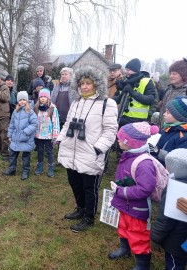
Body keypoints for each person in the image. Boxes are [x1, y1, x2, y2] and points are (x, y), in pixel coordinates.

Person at [57, 65, 118, 232]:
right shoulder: (76, 102)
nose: (84, 87)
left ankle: (89, 217)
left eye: (88, 83)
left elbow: (110, 130)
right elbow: (68, 124)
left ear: (96, 84)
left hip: (91, 153)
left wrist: (98, 148)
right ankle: (80, 208)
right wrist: (61, 139)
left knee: (89, 188)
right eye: (82, 83)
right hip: (71, 151)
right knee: (75, 183)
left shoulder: (107, 104)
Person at [109, 122, 159, 270]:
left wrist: (120, 191)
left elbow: (144, 189)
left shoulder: (144, 164)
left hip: (137, 209)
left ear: (129, 142)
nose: (118, 141)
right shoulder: (128, 155)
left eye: (120, 138)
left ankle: (142, 264)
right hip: (125, 205)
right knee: (123, 227)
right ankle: (125, 249)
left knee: (138, 235)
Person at [113, 58, 156, 160]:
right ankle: (121, 161)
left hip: (137, 121)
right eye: (126, 69)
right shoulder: (125, 82)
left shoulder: (146, 81)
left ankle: (132, 163)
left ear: (136, 70)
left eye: (129, 70)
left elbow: (150, 99)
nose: (126, 72)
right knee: (121, 143)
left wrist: (132, 92)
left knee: (134, 145)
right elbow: (117, 99)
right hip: (123, 118)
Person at [151, 149, 187, 270]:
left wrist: (155, 237)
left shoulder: (173, 189)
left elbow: (165, 219)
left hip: (176, 241)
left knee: (175, 263)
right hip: (184, 240)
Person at [3, 91, 38, 180]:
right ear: (18, 101)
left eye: (24, 100)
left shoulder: (30, 111)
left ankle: (25, 171)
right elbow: (11, 124)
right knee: (13, 154)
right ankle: (12, 169)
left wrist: (26, 132)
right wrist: (10, 134)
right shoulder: (15, 111)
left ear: (26, 100)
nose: (22, 101)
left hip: (26, 138)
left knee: (26, 156)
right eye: (20, 100)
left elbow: (34, 124)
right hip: (16, 137)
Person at [151, 96, 187, 166]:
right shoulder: (168, 128)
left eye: (168, 112)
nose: (164, 114)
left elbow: (179, 160)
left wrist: (158, 152)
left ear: (178, 116)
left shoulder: (184, 136)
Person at [34, 88, 60, 177]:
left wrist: (55, 135)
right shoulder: (36, 108)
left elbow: (55, 122)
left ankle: (51, 168)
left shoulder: (52, 108)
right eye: (41, 97)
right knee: (40, 151)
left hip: (49, 135)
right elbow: (34, 121)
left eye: (45, 96)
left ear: (48, 98)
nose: (43, 98)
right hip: (38, 135)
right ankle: (40, 167)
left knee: (49, 152)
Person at [157, 59, 187, 127]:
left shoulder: (185, 92)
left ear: (183, 74)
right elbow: (163, 111)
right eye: (170, 73)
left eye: (174, 74)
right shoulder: (169, 90)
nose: (171, 76)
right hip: (163, 129)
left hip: (178, 132)